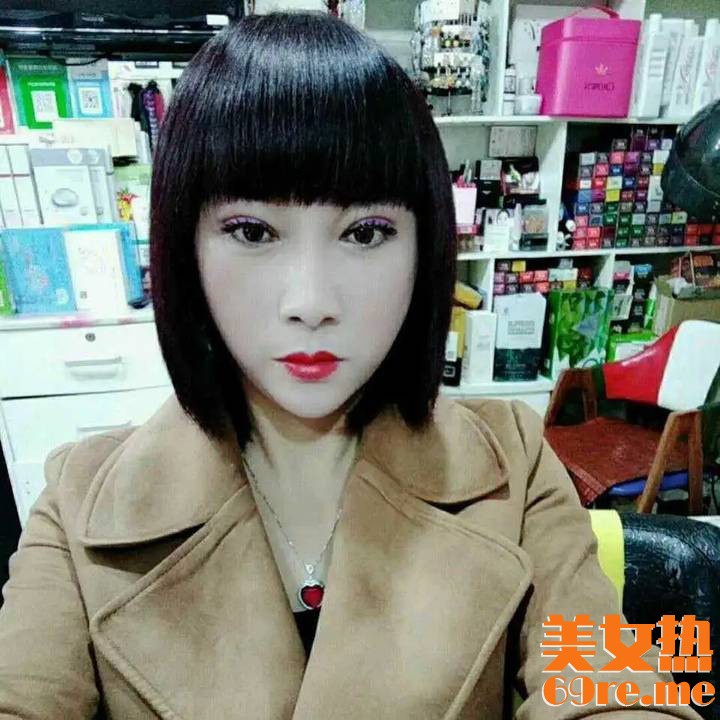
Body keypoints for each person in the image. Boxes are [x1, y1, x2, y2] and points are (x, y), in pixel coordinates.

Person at [0, 12, 703, 720]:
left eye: (366, 233)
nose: (311, 303)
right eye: (252, 231)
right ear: (186, 247)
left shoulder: (511, 462)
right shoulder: (79, 502)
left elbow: (606, 683)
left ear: (424, 247)